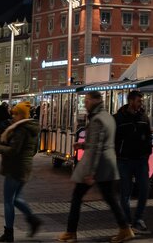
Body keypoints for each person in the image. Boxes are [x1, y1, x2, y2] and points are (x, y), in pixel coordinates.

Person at [57, 90, 133, 243]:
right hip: (108, 164)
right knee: (110, 199)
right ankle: (125, 229)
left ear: (95, 101)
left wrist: (91, 172)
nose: (85, 104)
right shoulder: (108, 116)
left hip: (98, 166)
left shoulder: (97, 119)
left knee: (77, 197)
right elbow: (101, 141)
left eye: (87, 101)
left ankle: (71, 232)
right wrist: (83, 144)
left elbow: (97, 147)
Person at [0, 101, 43, 242]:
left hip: (15, 167)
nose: (13, 116)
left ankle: (9, 233)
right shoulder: (31, 128)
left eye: (15, 113)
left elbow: (13, 151)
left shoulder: (21, 129)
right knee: (16, 198)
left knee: (8, 201)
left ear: (21, 115)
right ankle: (33, 219)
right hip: (24, 166)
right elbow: (34, 150)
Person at [114, 90, 153, 233]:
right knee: (125, 192)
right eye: (139, 101)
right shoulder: (118, 118)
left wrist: (147, 152)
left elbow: (148, 136)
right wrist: (118, 154)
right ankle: (128, 222)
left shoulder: (144, 117)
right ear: (130, 101)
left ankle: (138, 219)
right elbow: (114, 139)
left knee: (145, 189)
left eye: (141, 101)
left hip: (141, 160)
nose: (141, 103)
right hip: (124, 160)